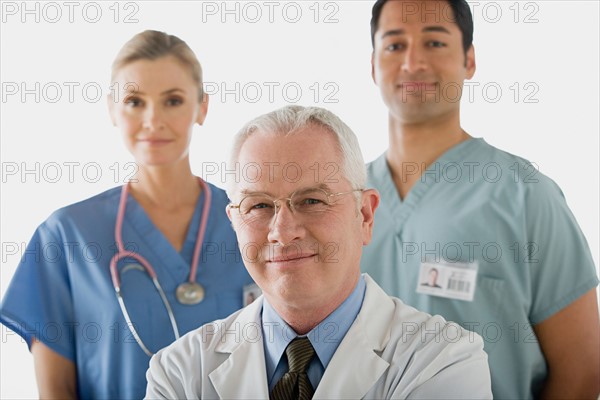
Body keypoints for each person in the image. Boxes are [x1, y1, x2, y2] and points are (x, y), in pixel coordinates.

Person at [145, 105, 492, 399]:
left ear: (365, 215)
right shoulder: (179, 372)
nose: (282, 232)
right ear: (234, 221)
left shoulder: (443, 359)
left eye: (312, 200)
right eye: (259, 205)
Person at [363, 0, 600, 398]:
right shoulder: (337, 198)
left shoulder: (525, 194)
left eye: (435, 43)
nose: (413, 62)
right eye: (394, 45)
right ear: (372, 65)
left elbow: (584, 369)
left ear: (469, 61)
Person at [0, 30, 254, 399]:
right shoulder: (66, 236)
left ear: (202, 108)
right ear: (112, 109)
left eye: (173, 100)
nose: (153, 120)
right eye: (135, 101)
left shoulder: (250, 221)